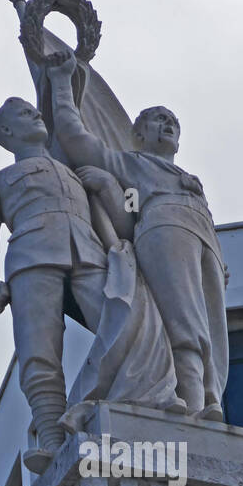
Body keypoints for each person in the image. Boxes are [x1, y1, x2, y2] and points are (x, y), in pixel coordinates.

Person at [48, 50, 229, 418]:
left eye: (172, 121)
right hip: (163, 227)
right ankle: (194, 406)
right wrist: (63, 84)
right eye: (157, 120)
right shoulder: (130, 162)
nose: (167, 125)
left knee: (212, 331)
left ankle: (211, 399)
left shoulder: (190, 179)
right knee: (184, 321)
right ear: (138, 133)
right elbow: (73, 135)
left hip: (203, 238)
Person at [0, 96, 108, 472]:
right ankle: (52, 439)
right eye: (27, 113)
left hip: (90, 254)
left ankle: (131, 401)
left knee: (121, 323)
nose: (37, 114)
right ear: (7, 132)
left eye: (36, 109)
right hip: (31, 257)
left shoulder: (74, 170)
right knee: (39, 352)